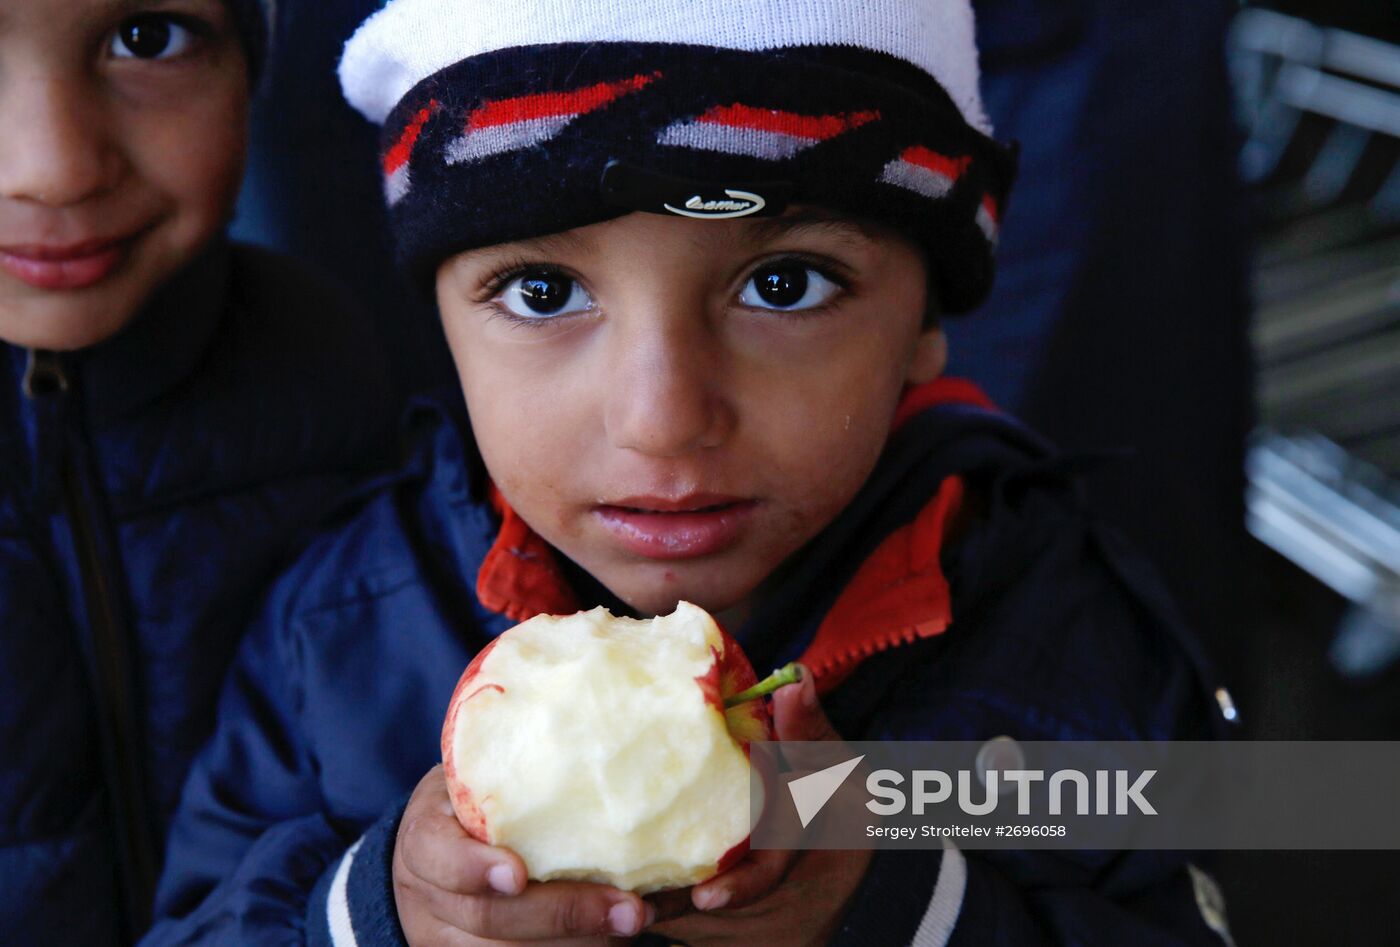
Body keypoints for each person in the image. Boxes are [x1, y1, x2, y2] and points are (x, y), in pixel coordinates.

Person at [147, 1, 1233, 943]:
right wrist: (376, 915)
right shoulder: (339, 632)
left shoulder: (1062, 625)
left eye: (784, 284)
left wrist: (894, 903)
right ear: (439, 320)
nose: (661, 420)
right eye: (539, 292)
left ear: (922, 326)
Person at [0, 2, 397, 944]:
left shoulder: (335, 369)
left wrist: (822, 861)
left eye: (147, 37)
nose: (53, 166)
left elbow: (782, 707)